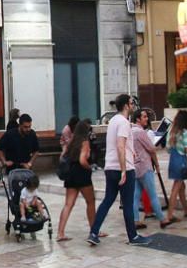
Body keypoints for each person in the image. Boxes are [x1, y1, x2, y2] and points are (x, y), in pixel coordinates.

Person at [88, 94, 149, 246]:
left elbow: (122, 145)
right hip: (124, 168)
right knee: (128, 204)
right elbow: (120, 145)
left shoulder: (114, 120)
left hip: (110, 167)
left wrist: (131, 152)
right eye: (131, 103)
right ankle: (133, 237)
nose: (133, 105)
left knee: (108, 200)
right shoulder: (123, 122)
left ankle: (94, 232)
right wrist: (123, 170)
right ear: (126, 106)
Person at [131, 109, 174, 230]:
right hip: (145, 166)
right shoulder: (140, 132)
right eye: (144, 117)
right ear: (138, 119)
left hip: (135, 167)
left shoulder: (131, 131)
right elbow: (151, 148)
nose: (146, 119)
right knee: (153, 195)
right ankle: (162, 219)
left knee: (136, 195)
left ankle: (136, 220)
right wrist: (157, 162)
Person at [56, 120, 96, 241]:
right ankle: (94, 230)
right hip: (82, 174)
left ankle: (60, 233)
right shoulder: (85, 143)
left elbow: (62, 156)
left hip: (71, 175)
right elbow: (82, 160)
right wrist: (90, 168)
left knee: (68, 204)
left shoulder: (72, 142)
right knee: (90, 202)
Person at [166, 110, 187, 218]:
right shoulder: (184, 132)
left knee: (181, 186)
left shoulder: (171, 131)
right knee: (176, 187)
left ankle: (186, 209)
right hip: (181, 161)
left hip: (173, 160)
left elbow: (168, 148)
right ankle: (169, 215)